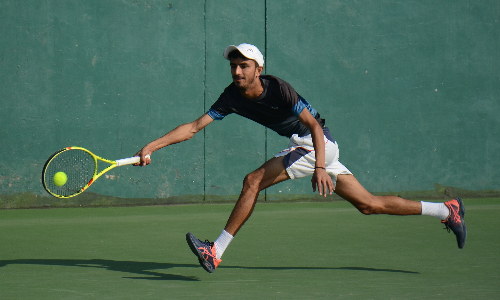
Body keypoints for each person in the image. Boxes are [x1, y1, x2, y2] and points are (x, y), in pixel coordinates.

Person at [135, 43, 466, 273]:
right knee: (369, 204)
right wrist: (153, 145)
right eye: (233, 65)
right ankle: (446, 209)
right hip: (317, 148)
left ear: (258, 69)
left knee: (253, 180)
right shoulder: (231, 96)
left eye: (244, 65)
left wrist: (320, 166)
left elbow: (314, 126)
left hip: (315, 142)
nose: (237, 70)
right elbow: (194, 127)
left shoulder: (278, 88)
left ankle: (216, 251)